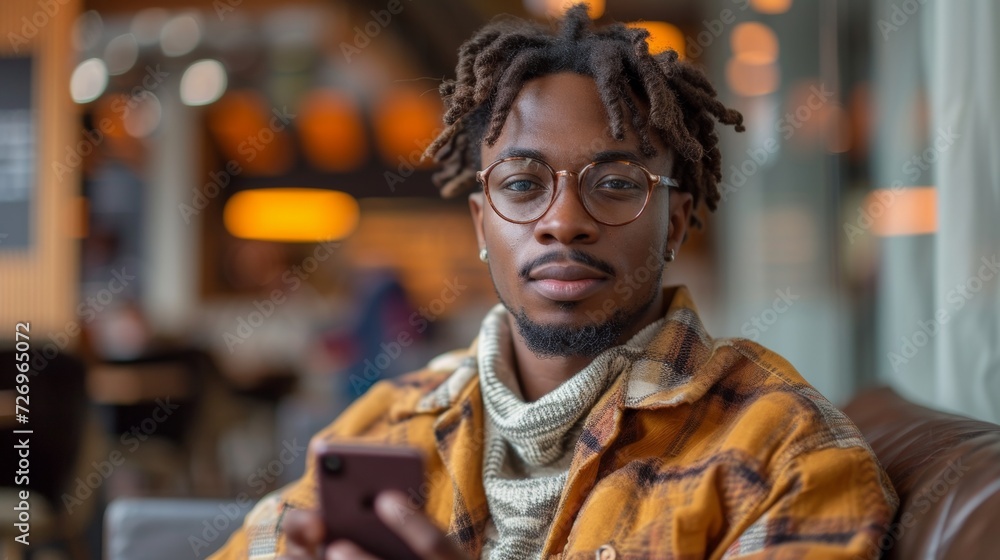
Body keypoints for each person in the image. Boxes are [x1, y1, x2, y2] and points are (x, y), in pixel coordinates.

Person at [211, 5, 897, 559]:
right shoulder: (386, 425)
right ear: (482, 226)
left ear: (677, 221)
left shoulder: (785, 454)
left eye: (617, 184)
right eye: (522, 184)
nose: (563, 221)